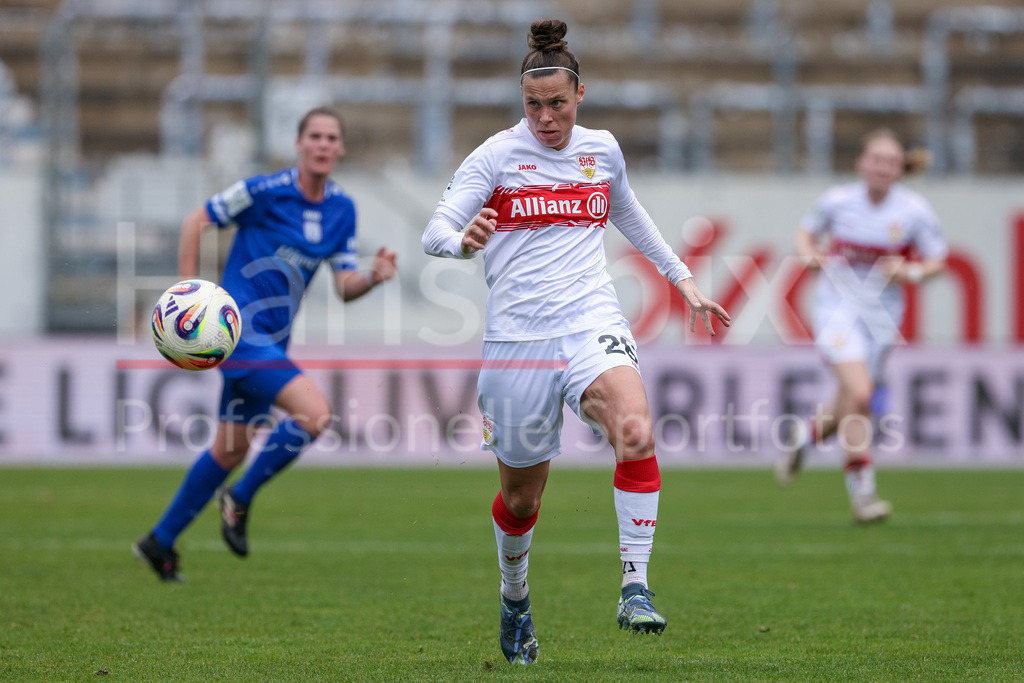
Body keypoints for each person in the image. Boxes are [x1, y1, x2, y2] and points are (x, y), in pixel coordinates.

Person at [422, 19, 730, 666]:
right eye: (533, 105)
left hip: (591, 318)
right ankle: (514, 597)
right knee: (521, 498)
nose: (545, 118)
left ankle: (635, 586)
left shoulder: (602, 150)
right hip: (517, 342)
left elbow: (629, 211)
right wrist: (463, 240)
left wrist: (683, 279)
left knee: (636, 431)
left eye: (557, 103)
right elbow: (436, 229)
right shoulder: (497, 156)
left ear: (579, 94)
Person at [133, 106, 398, 581]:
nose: (322, 144)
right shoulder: (263, 191)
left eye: (331, 137)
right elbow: (197, 220)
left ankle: (159, 541)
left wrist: (373, 278)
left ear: (339, 148)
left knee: (229, 451)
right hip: (236, 336)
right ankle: (239, 497)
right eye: (314, 135)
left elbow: (343, 286)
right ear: (299, 144)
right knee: (314, 415)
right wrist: (189, 294)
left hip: (274, 342)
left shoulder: (342, 209)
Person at [774, 128, 947, 523]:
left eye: (890, 161)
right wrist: (808, 255)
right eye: (875, 159)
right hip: (836, 309)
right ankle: (863, 494)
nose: (881, 167)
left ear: (901, 168)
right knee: (861, 392)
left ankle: (806, 436)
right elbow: (806, 231)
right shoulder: (837, 201)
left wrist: (912, 272)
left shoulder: (914, 211)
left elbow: (938, 260)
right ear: (862, 162)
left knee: (853, 400)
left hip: (882, 317)